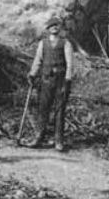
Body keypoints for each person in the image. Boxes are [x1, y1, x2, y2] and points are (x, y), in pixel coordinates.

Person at [24, 16, 74, 151]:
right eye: (52, 26)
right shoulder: (43, 43)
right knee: (43, 108)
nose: (54, 27)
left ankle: (59, 141)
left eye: (57, 25)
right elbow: (37, 60)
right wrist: (32, 74)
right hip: (46, 80)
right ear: (48, 29)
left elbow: (70, 64)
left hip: (61, 81)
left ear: (60, 28)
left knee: (60, 110)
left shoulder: (66, 43)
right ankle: (38, 137)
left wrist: (68, 79)